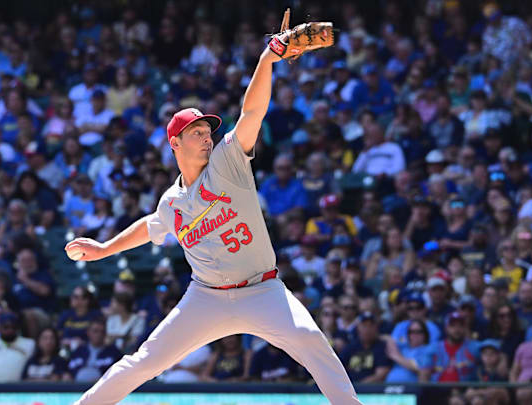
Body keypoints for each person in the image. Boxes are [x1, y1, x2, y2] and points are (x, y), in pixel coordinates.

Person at [65, 15, 360, 404]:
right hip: (205, 299)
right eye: (197, 134)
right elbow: (152, 224)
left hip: (262, 290)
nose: (208, 139)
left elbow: (252, 113)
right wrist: (104, 249)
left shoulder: (227, 162)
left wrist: (267, 59)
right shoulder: (172, 201)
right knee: (143, 362)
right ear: (175, 143)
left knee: (310, 341)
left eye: (209, 132)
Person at [339, 312, 392, 382]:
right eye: (364, 325)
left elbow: (381, 374)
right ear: (358, 327)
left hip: (371, 390)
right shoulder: (351, 347)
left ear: (376, 327)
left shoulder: (382, 347)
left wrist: (359, 387)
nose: (367, 329)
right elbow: (338, 369)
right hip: (348, 388)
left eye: (371, 325)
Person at [66, 318, 123, 382]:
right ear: (88, 332)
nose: (99, 334)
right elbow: (68, 371)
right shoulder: (79, 351)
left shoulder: (113, 352)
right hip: (76, 388)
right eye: (95, 331)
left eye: (102, 332)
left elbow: (119, 374)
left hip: (103, 388)